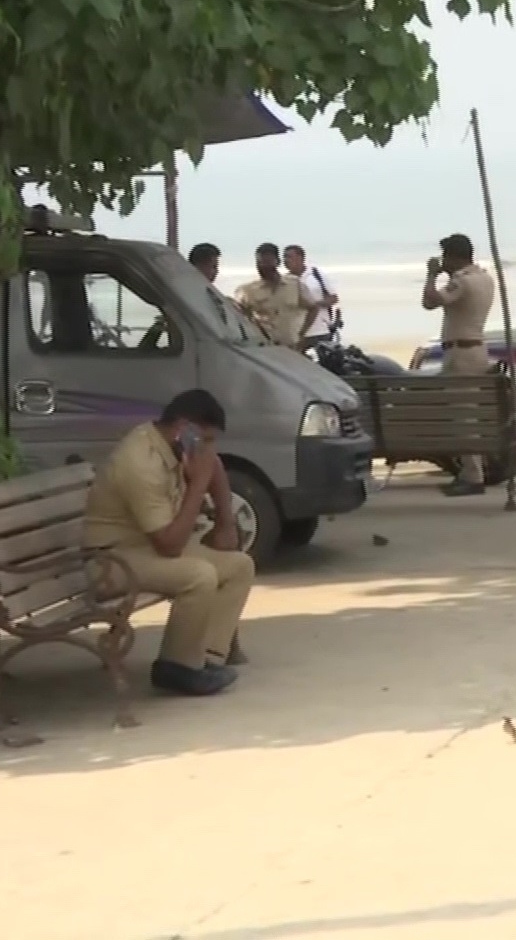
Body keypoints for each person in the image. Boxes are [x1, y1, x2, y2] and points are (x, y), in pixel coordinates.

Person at [82, 389, 255, 696]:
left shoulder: (173, 443)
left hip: (144, 548)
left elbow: (211, 464)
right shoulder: (140, 462)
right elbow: (170, 546)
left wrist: (225, 522)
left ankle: (207, 658)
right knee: (199, 575)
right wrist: (197, 484)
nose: (211, 449)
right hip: (111, 561)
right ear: (184, 429)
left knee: (239, 566)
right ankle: (177, 668)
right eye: (208, 440)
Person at [421, 233, 498, 496]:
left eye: (445, 256)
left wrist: (432, 274)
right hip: (476, 347)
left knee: (462, 416)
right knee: (467, 413)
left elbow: (429, 302)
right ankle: (469, 471)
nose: (442, 261)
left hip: (460, 353)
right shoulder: (485, 278)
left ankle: (473, 475)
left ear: (454, 257)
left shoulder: (462, 282)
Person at [235, 242, 312, 349]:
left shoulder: (294, 284)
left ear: (277, 262)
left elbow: (313, 308)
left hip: (293, 347)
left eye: (267, 262)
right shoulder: (248, 290)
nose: (264, 267)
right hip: (266, 349)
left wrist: (302, 334)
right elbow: (237, 316)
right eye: (260, 263)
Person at [284, 244, 341, 349]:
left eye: (289, 257)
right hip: (299, 334)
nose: (286, 260)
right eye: (284, 257)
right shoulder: (286, 280)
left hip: (320, 330)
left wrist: (315, 304)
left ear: (300, 258)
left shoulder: (316, 274)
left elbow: (333, 298)